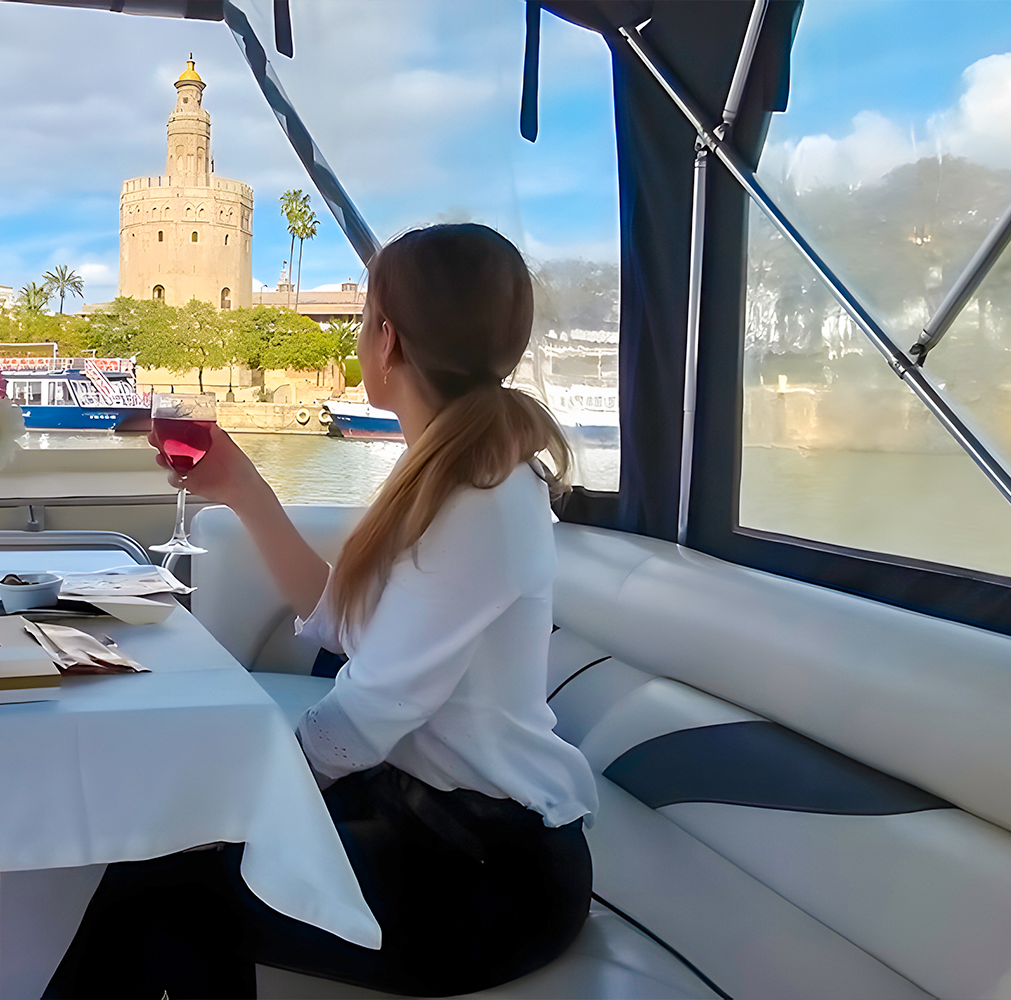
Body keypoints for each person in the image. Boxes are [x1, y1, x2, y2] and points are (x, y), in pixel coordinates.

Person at [45, 224, 599, 999]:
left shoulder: (482, 500)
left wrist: (245, 780)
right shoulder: (450, 474)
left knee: (175, 887)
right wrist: (243, 488)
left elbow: (373, 710)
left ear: (388, 340)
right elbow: (344, 623)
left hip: (488, 874)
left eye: (368, 317)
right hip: (426, 816)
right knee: (168, 859)